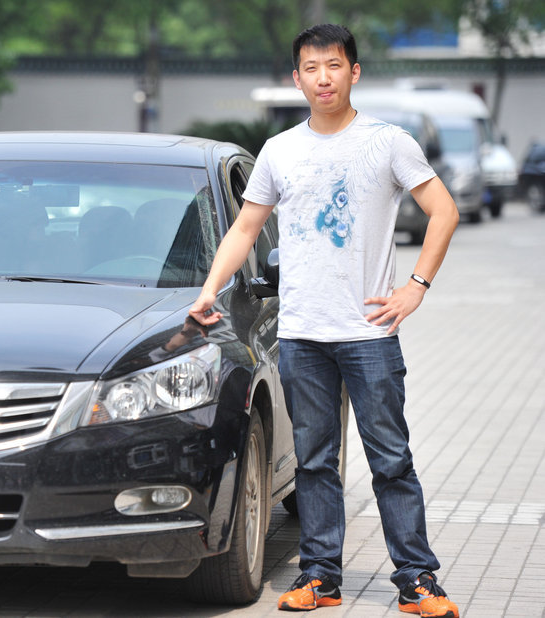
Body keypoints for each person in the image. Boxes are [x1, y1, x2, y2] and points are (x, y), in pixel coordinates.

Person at [188, 24, 460, 618]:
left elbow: (444, 211)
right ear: (297, 78)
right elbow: (245, 228)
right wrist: (210, 290)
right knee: (314, 463)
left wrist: (415, 287)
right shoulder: (280, 150)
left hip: (368, 334)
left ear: (353, 72)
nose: (323, 78)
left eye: (333, 66)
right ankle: (321, 579)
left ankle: (418, 581)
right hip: (302, 335)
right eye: (311, 69)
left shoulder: (389, 142)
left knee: (391, 460)